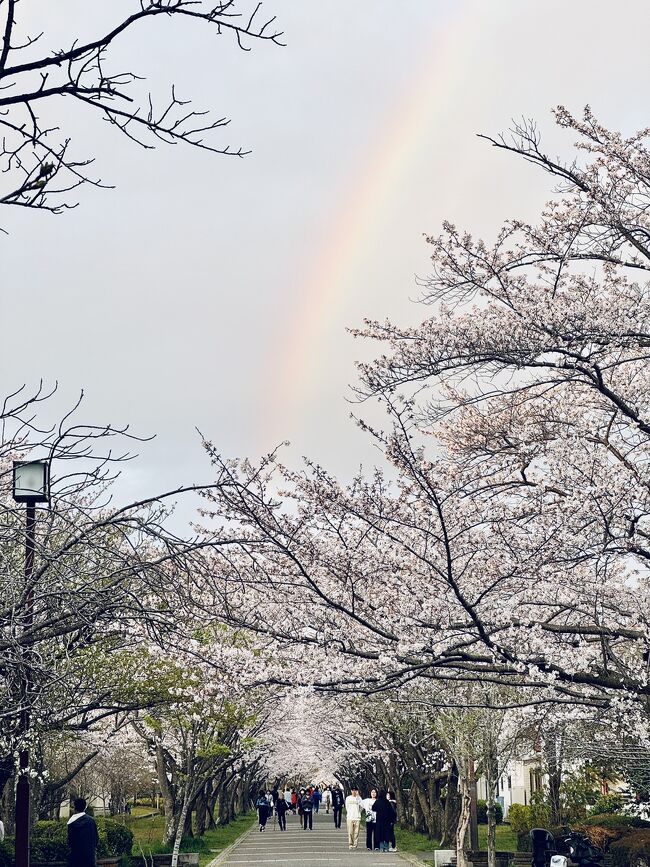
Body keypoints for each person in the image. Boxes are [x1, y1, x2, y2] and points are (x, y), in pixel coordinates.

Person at [67, 798, 99, 867]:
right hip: (89, 855)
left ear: (75, 807)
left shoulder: (71, 822)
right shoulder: (91, 821)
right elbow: (96, 838)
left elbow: (70, 840)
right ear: (84, 807)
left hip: (75, 856)